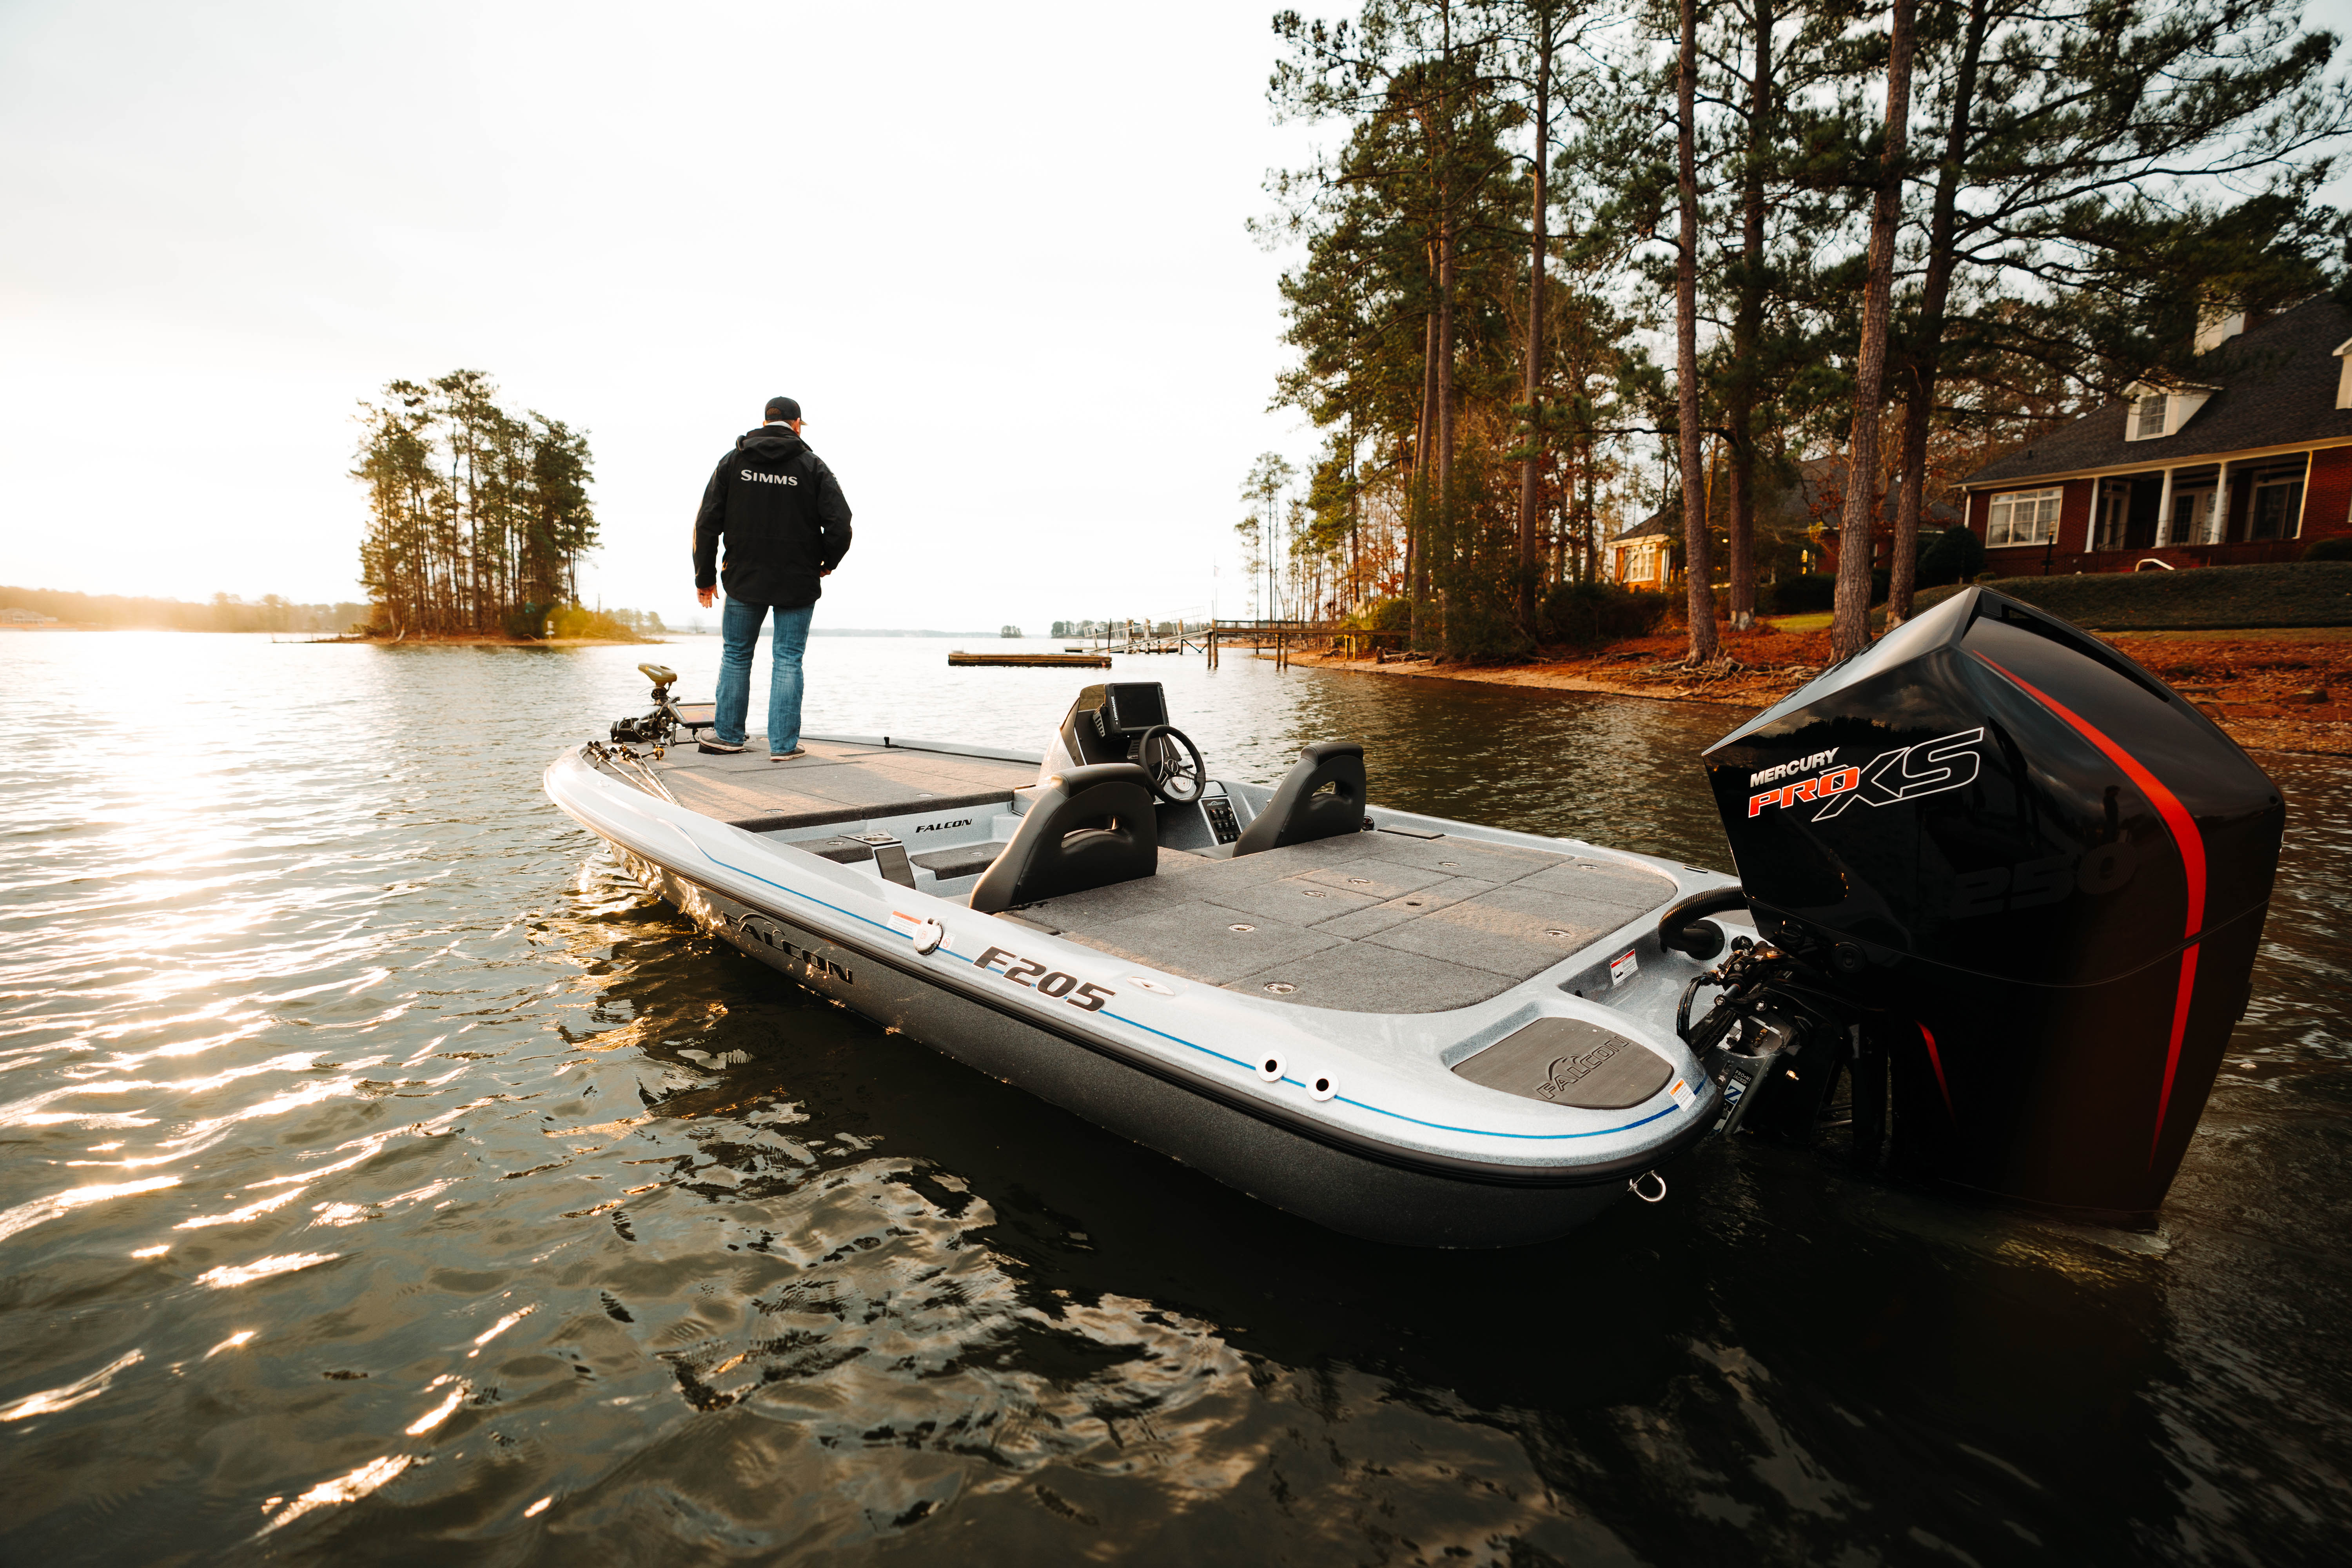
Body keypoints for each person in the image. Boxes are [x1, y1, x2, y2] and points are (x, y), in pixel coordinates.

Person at [691, 396, 853, 759]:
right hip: (798, 580)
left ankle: (730, 737)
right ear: (797, 424)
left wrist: (704, 577)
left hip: (744, 578)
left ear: (766, 422)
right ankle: (783, 747)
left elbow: (706, 523)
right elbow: (841, 524)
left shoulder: (734, 462)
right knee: (788, 659)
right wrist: (827, 562)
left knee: (736, 656)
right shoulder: (813, 466)